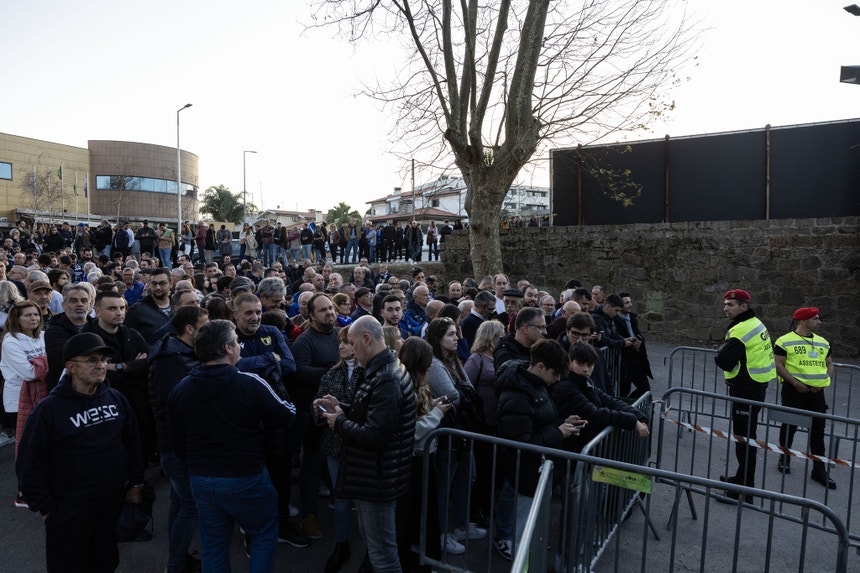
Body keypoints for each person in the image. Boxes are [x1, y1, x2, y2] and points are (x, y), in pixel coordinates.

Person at [168, 320, 297, 572]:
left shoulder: (181, 389)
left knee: (214, 545)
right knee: (262, 533)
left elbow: (176, 441)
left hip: (202, 479)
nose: (239, 346)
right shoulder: (249, 383)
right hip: (245, 475)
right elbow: (286, 415)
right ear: (228, 348)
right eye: (237, 342)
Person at [17, 332, 145, 573]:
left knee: (106, 562)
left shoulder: (115, 398)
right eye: (92, 360)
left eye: (104, 360)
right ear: (70, 366)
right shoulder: (49, 411)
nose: (101, 365)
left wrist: (136, 482)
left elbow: (132, 443)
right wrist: (47, 510)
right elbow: (29, 464)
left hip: (110, 503)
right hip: (68, 509)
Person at [314, 316, 416, 573]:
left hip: (377, 479)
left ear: (366, 339)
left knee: (383, 556)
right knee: (377, 549)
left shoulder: (387, 378)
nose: (347, 349)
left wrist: (338, 422)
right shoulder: (382, 370)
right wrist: (342, 408)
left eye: (351, 342)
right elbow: (374, 415)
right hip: (373, 476)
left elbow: (374, 435)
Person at [494, 338, 581, 560]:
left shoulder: (536, 383)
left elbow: (541, 420)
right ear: (540, 366)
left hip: (534, 470)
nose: (558, 379)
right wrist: (559, 432)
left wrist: (563, 422)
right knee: (523, 520)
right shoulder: (517, 395)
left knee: (528, 519)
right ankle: (521, 549)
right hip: (526, 471)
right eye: (555, 374)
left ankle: (529, 544)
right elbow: (522, 444)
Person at [148, 306, 208, 573]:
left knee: (180, 503)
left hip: (180, 444)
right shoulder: (171, 359)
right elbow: (176, 405)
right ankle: (175, 566)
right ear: (189, 329)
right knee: (190, 506)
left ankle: (179, 558)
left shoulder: (182, 352)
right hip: (177, 446)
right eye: (204, 327)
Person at [425, 317, 485, 555]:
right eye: (451, 334)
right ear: (438, 338)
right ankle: (440, 533)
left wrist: (464, 394)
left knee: (466, 477)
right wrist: (463, 394)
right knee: (444, 485)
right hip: (447, 435)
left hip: (463, 429)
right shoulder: (435, 364)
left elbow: (468, 388)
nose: (457, 338)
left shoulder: (453, 360)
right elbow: (453, 395)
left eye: (456, 333)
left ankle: (460, 524)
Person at [714, 289, 776, 500]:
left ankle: (745, 489)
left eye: (730, 305)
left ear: (744, 307)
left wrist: (720, 351)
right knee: (745, 437)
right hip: (755, 386)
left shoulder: (741, 330)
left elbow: (723, 360)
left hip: (746, 389)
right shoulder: (755, 323)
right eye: (725, 304)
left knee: (744, 439)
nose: (725, 309)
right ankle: (741, 479)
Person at [396, 337, 451, 571]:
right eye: (428, 360)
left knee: (422, 514)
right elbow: (412, 430)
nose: (432, 365)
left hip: (423, 458)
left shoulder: (420, 382)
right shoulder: (404, 386)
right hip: (412, 460)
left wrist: (434, 406)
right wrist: (437, 413)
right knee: (408, 518)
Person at [291, 293, 340, 540]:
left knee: (335, 458)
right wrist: (333, 370)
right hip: (312, 414)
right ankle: (308, 514)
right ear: (310, 315)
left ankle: (338, 499)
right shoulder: (304, 341)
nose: (329, 313)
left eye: (331, 308)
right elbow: (300, 372)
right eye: (323, 310)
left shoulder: (339, 334)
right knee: (312, 463)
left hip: (338, 410)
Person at [314, 326, 362, 573]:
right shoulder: (331, 375)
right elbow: (320, 405)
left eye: (347, 342)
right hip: (335, 444)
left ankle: (371, 548)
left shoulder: (370, 373)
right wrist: (320, 408)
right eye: (340, 343)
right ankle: (342, 544)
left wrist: (341, 411)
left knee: (366, 499)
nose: (342, 346)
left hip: (362, 445)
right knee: (341, 497)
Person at [774, 307, 836, 489]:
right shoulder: (785, 341)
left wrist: (825, 382)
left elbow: (830, 365)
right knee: (789, 427)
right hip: (794, 391)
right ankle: (784, 457)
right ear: (804, 321)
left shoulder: (823, 342)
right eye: (815, 319)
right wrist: (795, 383)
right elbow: (778, 364)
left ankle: (819, 469)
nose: (820, 322)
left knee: (818, 431)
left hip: (817, 393)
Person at [1, 301, 47, 458]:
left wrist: (40, 363)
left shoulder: (43, 336)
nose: (34, 318)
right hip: (18, 400)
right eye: (28, 315)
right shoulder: (10, 342)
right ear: (17, 319)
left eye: (36, 314)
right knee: (29, 447)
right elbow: (30, 373)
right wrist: (48, 362)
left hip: (43, 396)